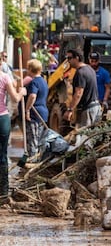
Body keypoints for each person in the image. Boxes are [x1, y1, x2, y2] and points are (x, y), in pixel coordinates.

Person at [0, 66, 26, 198]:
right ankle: (3, 191)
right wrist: (22, 92)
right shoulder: (4, 77)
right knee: (2, 154)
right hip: (2, 118)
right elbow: (15, 98)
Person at [63, 49, 101, 128]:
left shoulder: (80, 73)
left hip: (88, 109)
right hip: (96, 107)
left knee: (84, 137)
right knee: (92, 136)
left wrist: (70, 110)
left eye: (69, 58)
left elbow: (78, 93)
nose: (68, 61)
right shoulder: (90, 69)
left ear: (77, 58)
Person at [24, 59, 49, 158]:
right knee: (39, 139)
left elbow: (32, 96)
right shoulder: (43, 81)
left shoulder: (34, 82)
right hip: (43, 112)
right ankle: (39, 158)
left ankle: (32, 160)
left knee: (32, 140)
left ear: (30, 69)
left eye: (27, 68)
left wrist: (27, 110)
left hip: (35, 113)